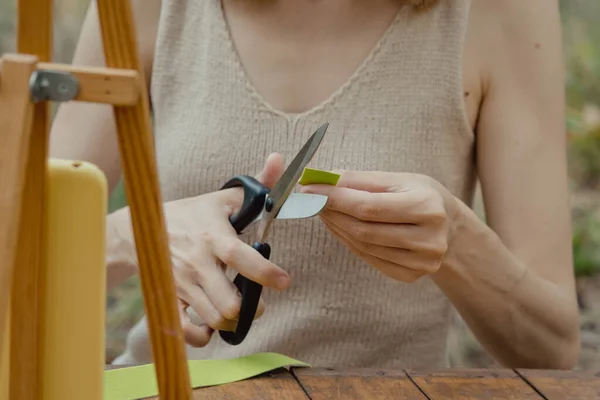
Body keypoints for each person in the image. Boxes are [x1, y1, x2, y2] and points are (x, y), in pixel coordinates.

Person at [49, 0, 580, 370]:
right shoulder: (144, 7)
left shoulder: (499, 11)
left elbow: (551, 351)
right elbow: (19, 265)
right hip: (163, 385)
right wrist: (137, 235)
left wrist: (458, 245)